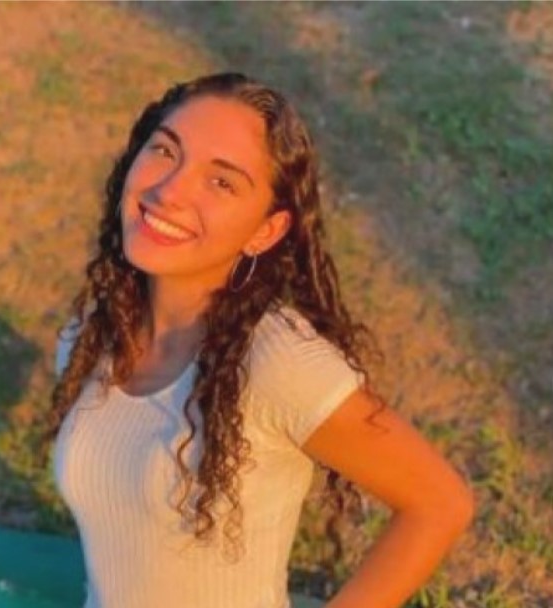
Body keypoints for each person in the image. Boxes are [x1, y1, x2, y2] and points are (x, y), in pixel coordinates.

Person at [45, 73, 475, 608]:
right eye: (164, 150)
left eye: (221, 182)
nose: (170, 190)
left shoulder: (275, 360)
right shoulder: (93, 333)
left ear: (265, 231)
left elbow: (439, 504)